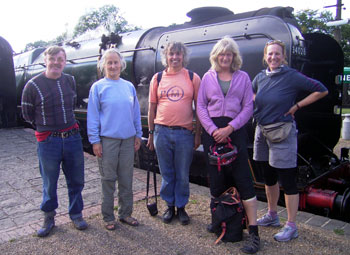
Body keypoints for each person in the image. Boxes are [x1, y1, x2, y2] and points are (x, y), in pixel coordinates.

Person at [253, 40, 328, 242]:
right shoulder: (260, 77)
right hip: (262, 131)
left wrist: (296, 106)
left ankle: (292, 226)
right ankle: (272, 215)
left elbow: (321, 89)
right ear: (265, 56)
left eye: (277, 54)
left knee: (287, 180)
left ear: (283, 56)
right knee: (268, 177)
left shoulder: (291, 76)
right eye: (270, 54)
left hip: (282, 132)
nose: (273, 57)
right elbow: (252, 95)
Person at [197, 37, 260, 254]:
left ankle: (253, 233)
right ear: (216, 56)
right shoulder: (207, 77)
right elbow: (201, 106)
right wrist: (213, 130)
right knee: (216, 181)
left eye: (229, 54)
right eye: (221, 54)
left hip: (235, 132)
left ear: (234, 56)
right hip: (212, 134)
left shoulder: (243, 77)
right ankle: (219, 220)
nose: (225, 57)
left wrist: (230, 128)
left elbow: (247, 107)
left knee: (243, 180)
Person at [21, 46, 88, 237]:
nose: (57, 62)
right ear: (46, 60)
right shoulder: (32, 86)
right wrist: (47, 128)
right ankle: (49, 218)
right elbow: (27, 115)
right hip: (48, 141)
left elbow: (72, 104)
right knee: (49, 182)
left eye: (61, 59)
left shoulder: (70, 81)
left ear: (65, 61)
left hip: (72, 138)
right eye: (53, 59)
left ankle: (76, 214)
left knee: (76, 180)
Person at [87, 48, 142, 231]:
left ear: (121, 64)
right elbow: (93, 117)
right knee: (108, 179)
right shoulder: (98, 87)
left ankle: (125, 213)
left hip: (127, 140)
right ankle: (108, 216)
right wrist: (95, 141)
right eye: (109, 62)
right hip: (108, 140)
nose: (112, 66)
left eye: (115, 62)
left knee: (126, 179)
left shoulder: (128, 87)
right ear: (104, 65)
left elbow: (135, 113)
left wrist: (138, 134)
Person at [147, 41, 201, 225]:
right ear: (166, 57)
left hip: (184, 133)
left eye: (178, 54)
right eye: (171, 54)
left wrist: (198, 134)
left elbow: (199, 109)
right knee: (167, 173)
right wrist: (151, 133)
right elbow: (151, 108)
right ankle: (169, 206)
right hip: (161, 132)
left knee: (183, 174)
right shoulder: (158, 78)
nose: (175, 57)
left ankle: (182, 207)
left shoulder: (193, 77)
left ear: (183, 56)